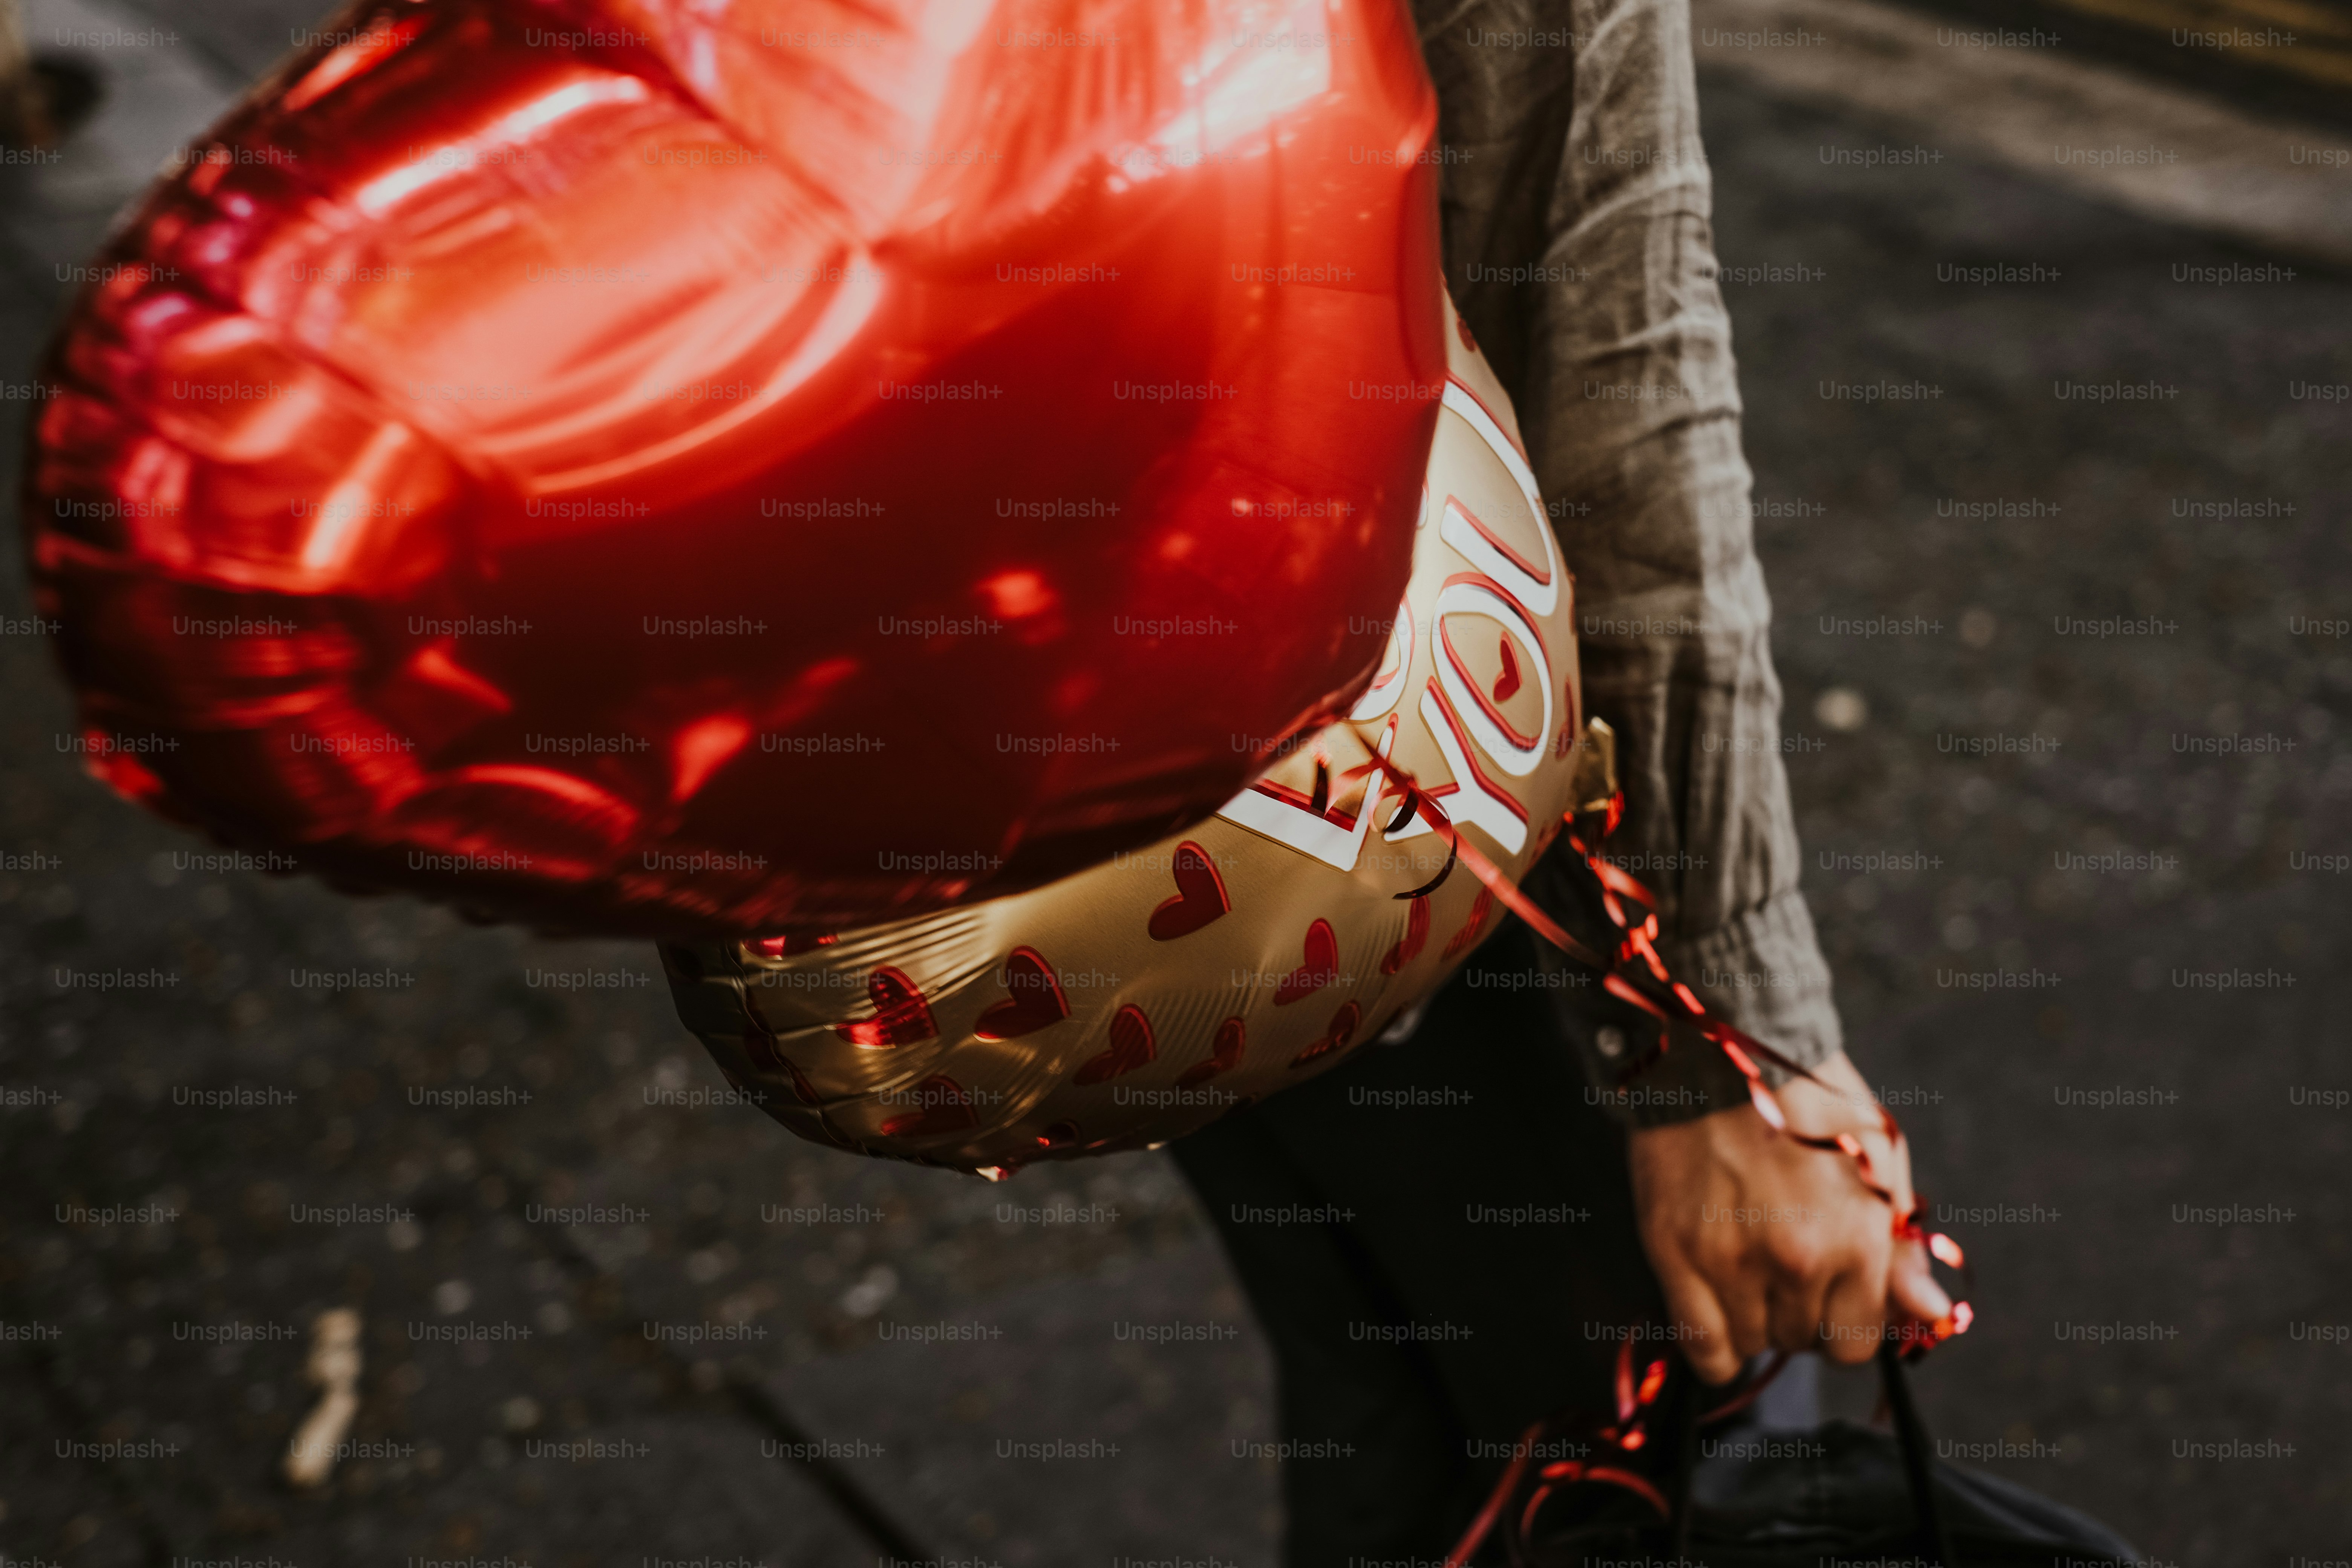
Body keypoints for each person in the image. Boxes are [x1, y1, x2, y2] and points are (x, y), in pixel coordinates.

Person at [1170, 1, 1951, 1562]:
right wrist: (1727, 1049)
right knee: (1614, 1448)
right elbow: (1608, 355)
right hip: (1416, 800)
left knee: (1385, 1412)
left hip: (1091, 823)